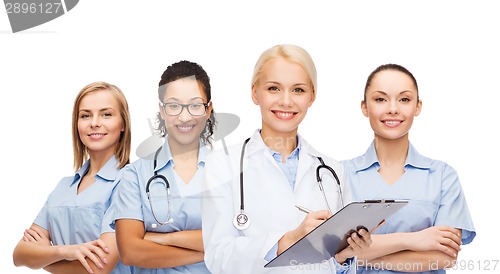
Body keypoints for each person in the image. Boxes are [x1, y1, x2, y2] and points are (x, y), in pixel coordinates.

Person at [201, 44, 372, 274]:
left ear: (312, 96)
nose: (286, 101)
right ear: (255, 93)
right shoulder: (222, 165)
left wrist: (343, 257)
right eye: (273, 88)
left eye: (298, 90)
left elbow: (335, 264)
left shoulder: (333, 170)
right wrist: (286, 241)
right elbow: (218, 256)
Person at [343, 63, 476, 273]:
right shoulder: (339, 175)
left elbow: (444, 256)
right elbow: (328, 251)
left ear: (418, 106)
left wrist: (358, 256)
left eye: (404, 99)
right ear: (364, 107)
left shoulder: (442, 176)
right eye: (380, 99)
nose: (393, 109)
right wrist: (415, 240)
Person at [12, 81, 133, 274]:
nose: (94, 122)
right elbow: (19, 255)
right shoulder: (63, 187)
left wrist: (45, 259)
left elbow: (99, 265)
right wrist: (66, 251)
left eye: (106, 114)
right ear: (77, 124)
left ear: (123, 124)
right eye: (85, 115)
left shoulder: (129, 183)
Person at [110, 60, 215, 273]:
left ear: (208, 109)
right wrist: (209, 251)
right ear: (162, 110)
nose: (185, 117)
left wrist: (164, 239)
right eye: (174, 106)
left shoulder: (229, 173)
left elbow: (239, 240)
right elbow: (130, 252)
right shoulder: (134, 175)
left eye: (195, 105)